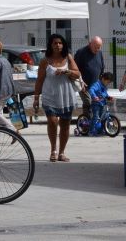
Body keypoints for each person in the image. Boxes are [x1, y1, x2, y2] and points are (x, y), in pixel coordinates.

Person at [33, 33, 81, 162]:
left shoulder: (68, 57)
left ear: (63, 45)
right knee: (53, 121)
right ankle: (53, 150)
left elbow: (77, 74)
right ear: (50, 45)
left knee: (65, 125)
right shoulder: (45, 61)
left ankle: (62, 153)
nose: (58, 45)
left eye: (60, 43)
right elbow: (39, 80)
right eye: (55, 43)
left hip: (66, 96)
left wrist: (67, 71)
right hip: (50, 96)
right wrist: (36, 98)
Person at [73, 36, 104, 118]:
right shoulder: (81, 52)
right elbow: (75, 69)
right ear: (90, 44)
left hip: (95, 85)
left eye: (99, 47)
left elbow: (102, 68)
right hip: (84, 84)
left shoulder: (99, 53)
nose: (97, 49)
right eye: (95, 47)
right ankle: (87, 123)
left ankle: (95, 122)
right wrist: (80, 82)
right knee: (88, 102)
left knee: (99, 102)